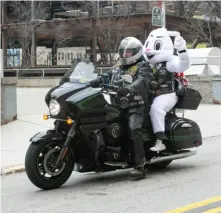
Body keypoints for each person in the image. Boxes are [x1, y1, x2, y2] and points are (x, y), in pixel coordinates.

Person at [91, 37, 153, 178]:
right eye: (123, 52)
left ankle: (140, 165)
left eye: (129, 52)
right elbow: (107, 76)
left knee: (133, 129)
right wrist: (94, 81)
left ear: (136, 52)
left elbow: (142, 82)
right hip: (118, 105)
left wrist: (128, 89)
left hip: (136, 105)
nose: (125, 55)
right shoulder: (119, 66)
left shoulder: (143, 66)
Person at [143, 28, 190, 152]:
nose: (148, 49)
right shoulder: (147, 64)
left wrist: (181, 50)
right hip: (150, 95)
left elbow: (183, 65)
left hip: (167, 94)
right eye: (147, 45)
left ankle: (160, 140)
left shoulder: (169, 62)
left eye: (156, 45)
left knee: (156, 109)